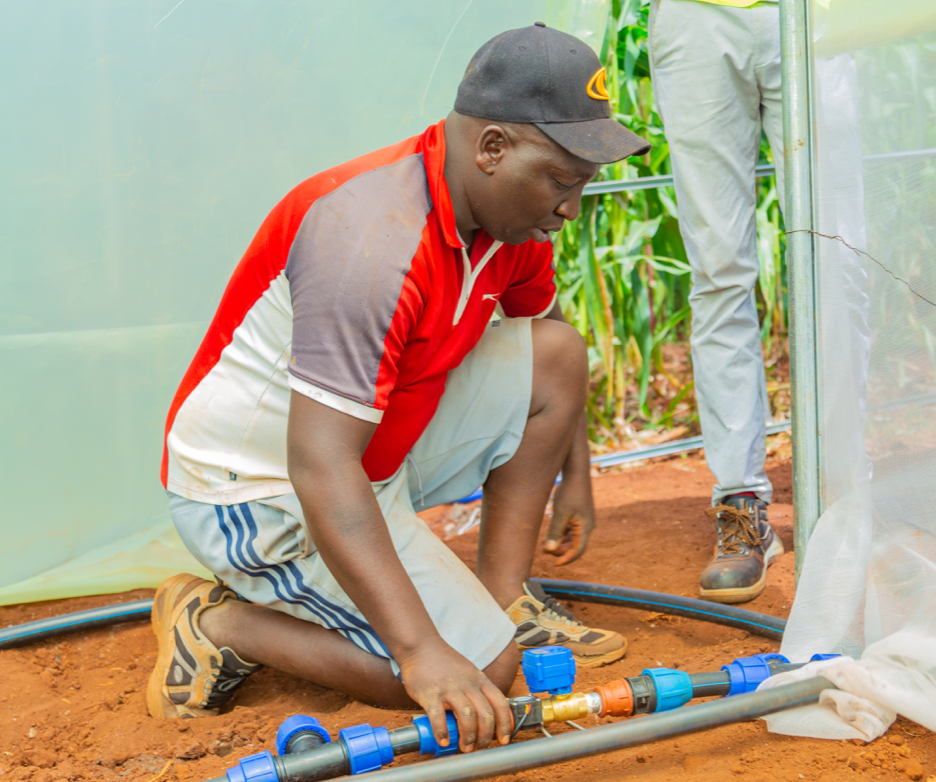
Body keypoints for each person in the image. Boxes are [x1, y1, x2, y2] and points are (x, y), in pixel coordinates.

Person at [148, 24, 650, 755]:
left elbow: (550, 349)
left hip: (372, 450)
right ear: (493, 149)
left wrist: (578, 471)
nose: (571, 208)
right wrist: (421, 652)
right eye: (564, 180)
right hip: (261, 489)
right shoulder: (369, 241)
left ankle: (501, 597)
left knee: (555, 352)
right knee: (474, 674)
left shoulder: (514, 224)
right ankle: (220, 624)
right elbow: (319, 465)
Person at [648, 0, 865, 603]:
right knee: (718, 272)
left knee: (842, 259)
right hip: (697, 19)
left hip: (813, 14)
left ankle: (850, 494)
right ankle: (741, 505)